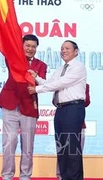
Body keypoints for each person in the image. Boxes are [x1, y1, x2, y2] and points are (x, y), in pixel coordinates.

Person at [28, 40, 87, 180]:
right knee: (62, 147)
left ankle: (75, 178)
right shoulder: (60, 69)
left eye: (67, 48)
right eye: (62, 48)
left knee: (72, 147)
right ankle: (65, 177)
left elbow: (61, 83)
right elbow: (49, 83)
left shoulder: (78, 67)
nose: (64, 51)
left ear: (76, 51)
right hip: (60, 110)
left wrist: (36, 89)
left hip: (74, 108)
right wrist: (36, 78)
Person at [0, 34, 47, 180]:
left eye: (33, 46)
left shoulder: (41, 65)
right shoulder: (13, 59)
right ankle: (7, 175)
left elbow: (41, 83)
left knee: (28, 144)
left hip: (29, 106)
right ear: (22, 46)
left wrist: (35, 76)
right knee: (9, 141)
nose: (30, 49)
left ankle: (25, 176)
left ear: (36, 48)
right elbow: (6, 47)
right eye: (27, 45)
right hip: (10, 103)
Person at [55, 84, 91, 180]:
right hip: (62, 120)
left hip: (78, 124)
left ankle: (74, 176)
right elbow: (54, 101)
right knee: (62, 150)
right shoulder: (61, 83)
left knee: (74, 153)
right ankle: (60, 176)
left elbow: (86, 102)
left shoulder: (84, 86)